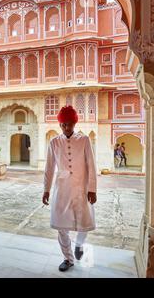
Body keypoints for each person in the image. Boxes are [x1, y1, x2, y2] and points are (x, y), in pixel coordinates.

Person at [42, 105, 97, 272]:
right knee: (60, 224)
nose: (67, 127)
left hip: (82, 187)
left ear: (74, 123)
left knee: (84, 222)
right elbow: (49, 167)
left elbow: (91, 165)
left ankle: (79, 245)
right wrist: (46, 189)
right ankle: (67, 258)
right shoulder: (54, 142)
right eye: (64, 124)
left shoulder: (84, 140)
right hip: (62, 188)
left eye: (70, 124)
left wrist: (92, 188)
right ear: (60, 125)